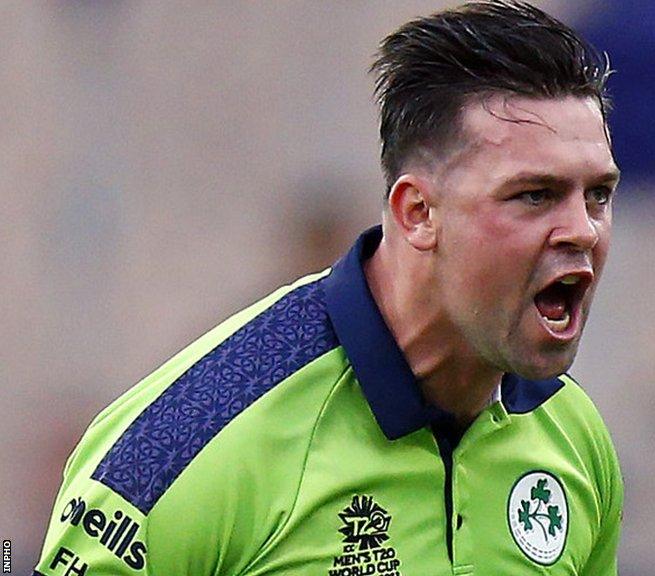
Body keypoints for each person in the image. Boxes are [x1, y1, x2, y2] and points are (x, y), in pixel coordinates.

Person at [34, 1, 623, 574]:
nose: (581, 230)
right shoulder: (185, 442)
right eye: (534, 196)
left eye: (598, 194)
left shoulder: (573, 436)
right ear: (418, 213)